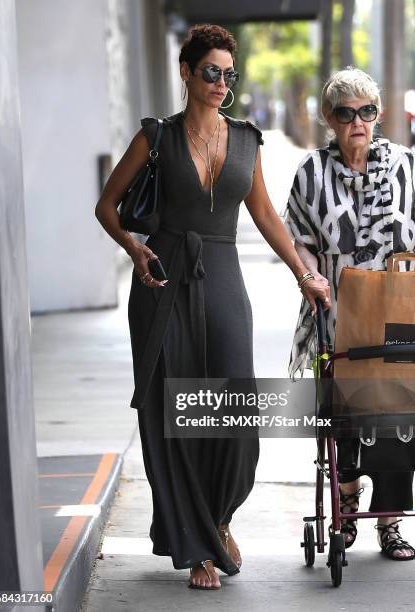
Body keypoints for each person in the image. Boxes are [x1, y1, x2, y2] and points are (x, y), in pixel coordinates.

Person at [95, 24, 329, 590]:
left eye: (229, 74)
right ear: (185, 72)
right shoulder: (156, 137)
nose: (221, 83)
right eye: (211, 72)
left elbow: (268, 218)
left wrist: (306, 274)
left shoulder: (247, 140)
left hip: (223, 279)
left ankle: (220, 516)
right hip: (163, 281)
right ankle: (198, 545)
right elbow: (107, 206)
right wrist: (136, 249)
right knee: (175, 414)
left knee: (232, 411)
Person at [285, 67, 415, 560]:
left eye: (367, 111)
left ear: (378, 115)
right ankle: (345, 506)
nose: (358, 121)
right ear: (329, 119)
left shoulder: (407, 165)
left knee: (398, 413)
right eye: (346, 113)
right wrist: (309, 279)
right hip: (338, 314)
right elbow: (298, 238)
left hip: (399, 311)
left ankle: (389, 522)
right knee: (342, 413)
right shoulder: (311, 173)